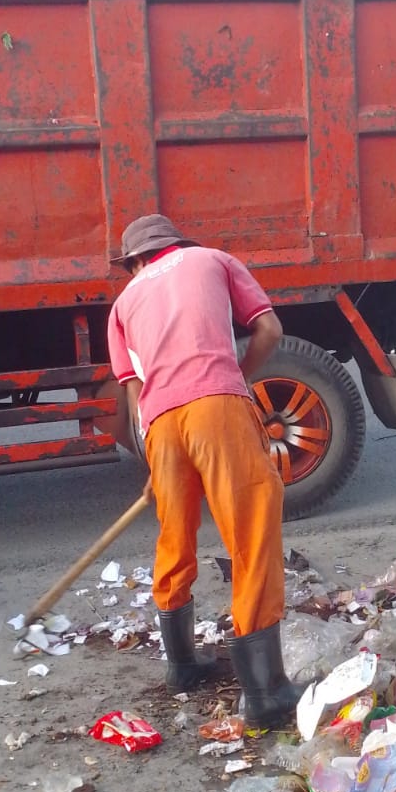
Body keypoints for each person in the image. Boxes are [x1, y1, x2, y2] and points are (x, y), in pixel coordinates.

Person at [106, 213, 304, 731]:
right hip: (216, 403)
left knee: (175, 534)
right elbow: (269, 328)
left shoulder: (122, 304)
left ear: (135, 261)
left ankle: (182, 665)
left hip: (161, 423)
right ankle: (265, 691)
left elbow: (135, 393)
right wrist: (237, 375)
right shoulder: (213, 259)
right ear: (173, 246)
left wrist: (155, 458)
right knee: (251, 531)